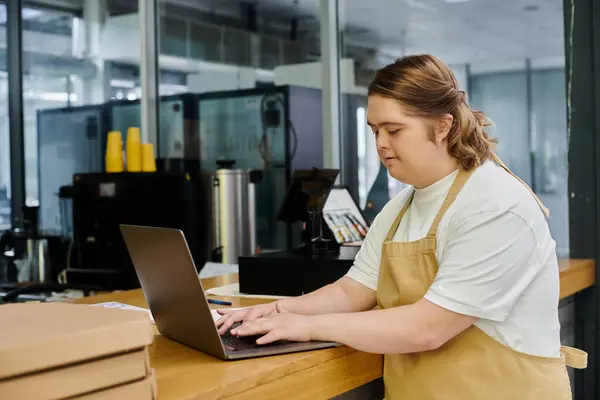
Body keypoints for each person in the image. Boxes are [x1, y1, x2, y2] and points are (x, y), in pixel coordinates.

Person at [216, 54, 586, 399]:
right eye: (374, 130)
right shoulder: (399, 210)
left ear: (443, 126)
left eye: (393, 129)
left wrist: (308, 327)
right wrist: (278, 312)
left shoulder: (495, 205)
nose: (380, 144)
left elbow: (428, 327)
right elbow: (351, 293)